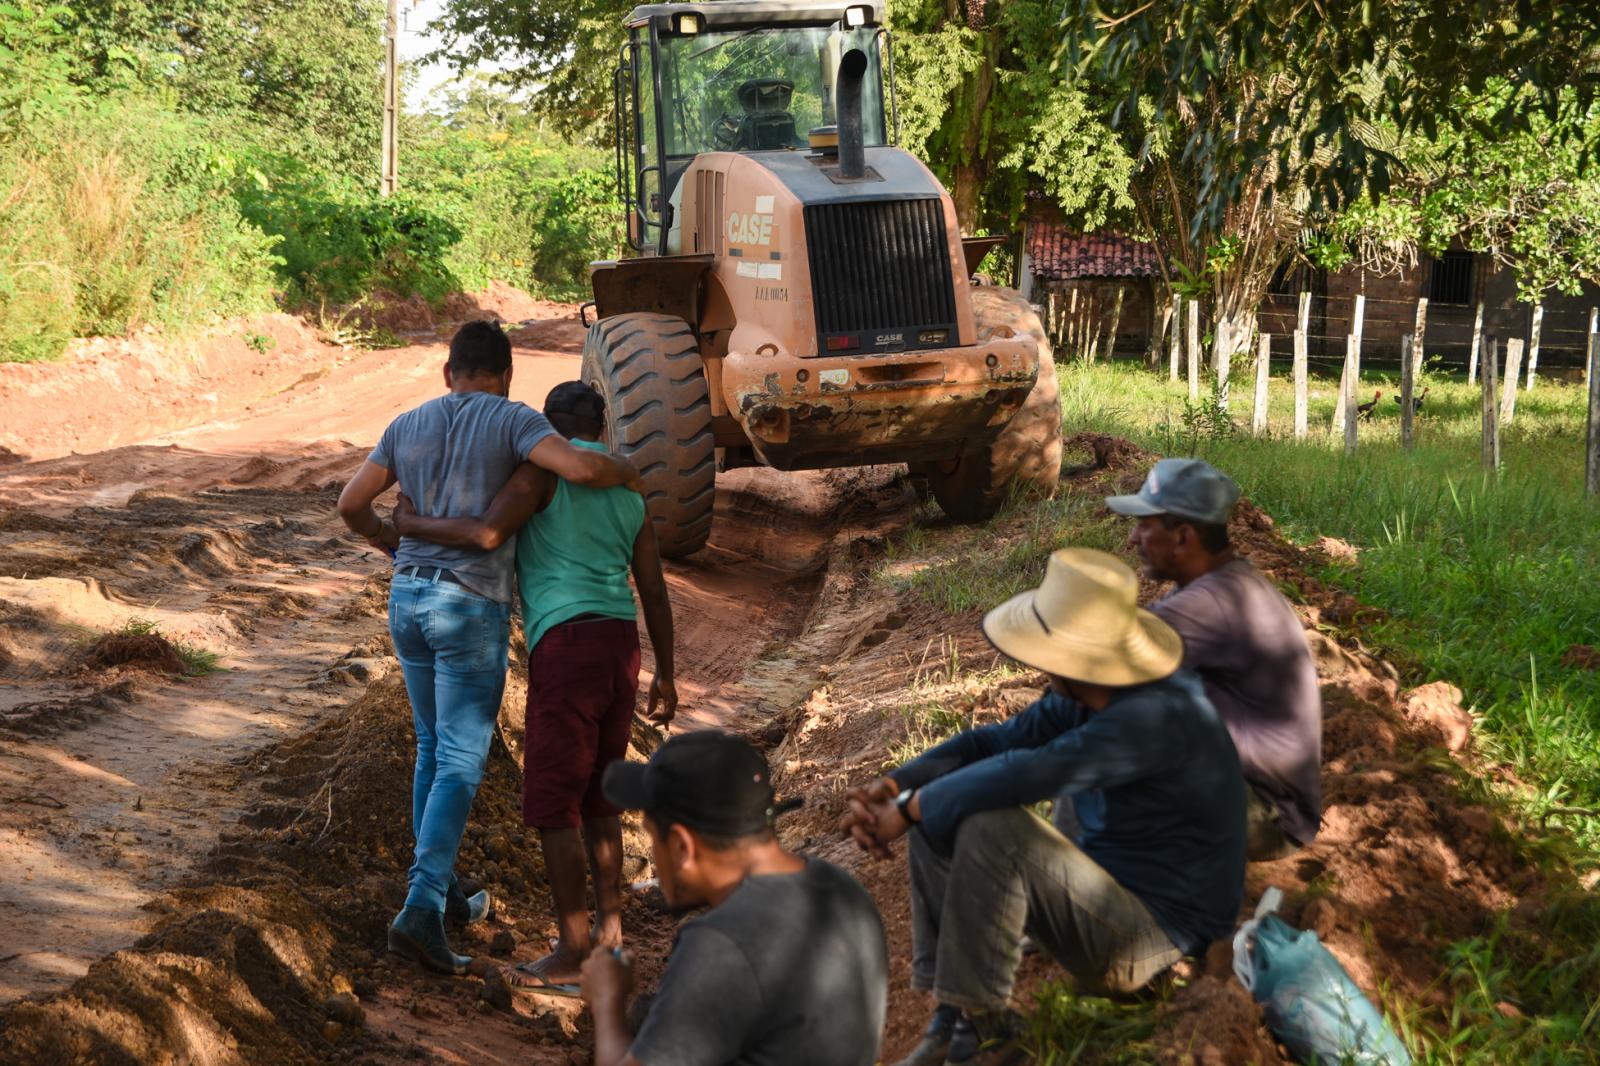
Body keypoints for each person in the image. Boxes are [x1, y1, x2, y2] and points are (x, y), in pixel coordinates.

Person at [842, 548, 1245, 1066]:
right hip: (1108, 895)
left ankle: (989, 1036)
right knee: (950, 803)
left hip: (1155, 938)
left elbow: (1028, 773)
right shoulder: (1092, 691)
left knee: (990, 826)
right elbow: (993, 745)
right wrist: (897, 784)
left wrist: (910, 807)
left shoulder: (1151, 718)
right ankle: (956, 1015)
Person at [337, 321, 640, 975]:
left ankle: (440, 894)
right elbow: (584, 467)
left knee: (430, 747)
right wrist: (628, 466)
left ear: (449, 373)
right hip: (467, 606)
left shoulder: (406, 424)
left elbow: (351, 503)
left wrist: (395, 542)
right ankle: (420, 908)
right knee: (460, 762)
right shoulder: (514, 421)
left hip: (407, 598)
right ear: (506, 376)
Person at [392, 380, 678, 994]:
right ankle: (609, 939)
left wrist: (411, 523)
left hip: (566, 645)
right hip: (619, 645)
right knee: (602, 794)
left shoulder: (540, 477)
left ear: (545, 428)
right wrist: (669, 672)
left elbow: (485, 533)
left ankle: (573, 951)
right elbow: (653, 588)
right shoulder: (628, 492)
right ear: (600, 429)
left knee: (555, 804)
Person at [580, 730, 889, 1066]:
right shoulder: (845, 890)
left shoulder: (721, 943)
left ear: (683, 846)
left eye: (653, 838)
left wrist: (607, 1000)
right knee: (648, 1016)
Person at [1105, 457, 1322, 861]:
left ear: (1184, 537)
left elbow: (1100, 666)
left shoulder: (1211, 603)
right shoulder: (1225, 585)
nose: (1133, 538)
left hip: (1265, 817)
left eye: (1145, 525)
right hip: (1261, 799)